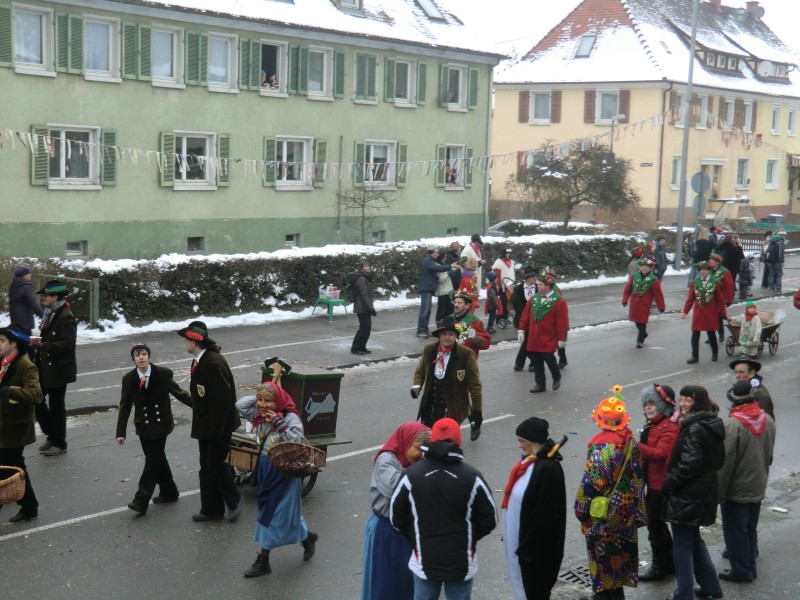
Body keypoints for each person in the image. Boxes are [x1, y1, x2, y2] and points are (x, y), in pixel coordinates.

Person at [390, 418, 497, 600]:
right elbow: (490, 520)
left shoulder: (411, 475)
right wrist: (468, 537)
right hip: (461, 563)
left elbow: (396, 517)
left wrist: (416, 537)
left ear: (432, 440)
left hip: (423, 561)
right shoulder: (472, 477)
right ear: (458, 441)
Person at [235, 382, 318, 577]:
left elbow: (297, 443)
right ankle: (306, 537)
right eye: (260, 400)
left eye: (269, 401)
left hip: (284, 473)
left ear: (279, 401)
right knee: (281, 513)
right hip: (265, 470)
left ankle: (263, 559)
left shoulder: (291, 419)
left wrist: (280, 424)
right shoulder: (260, 417)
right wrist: (261, 401)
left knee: (270, 515)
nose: (263, 405)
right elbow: (240, 405)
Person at [575, 388, 647, 600]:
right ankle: (617, 593)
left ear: (600, 420)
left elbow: (594, 482)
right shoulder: (631, 442)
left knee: (603, 554)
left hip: (604, 513)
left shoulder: (600, 447)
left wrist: (581, 508)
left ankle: (606, 595)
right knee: (621, 551)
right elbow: (638, 476)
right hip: (625, 510)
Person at [174, 321, 243, 523]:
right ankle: (211, 509)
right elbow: (202, 397)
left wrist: (216, 433)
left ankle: (234, 500)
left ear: (194, 340)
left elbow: (222, 403)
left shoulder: (213, 363)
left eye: (186, 339)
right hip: (207, 425)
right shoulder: (200, 361)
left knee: (215, 464)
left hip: (218, 427)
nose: (184, 342)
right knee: (206, 465)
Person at [661, 385, 725, 600]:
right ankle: (711, 586)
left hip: (687, 493)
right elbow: (719, 459)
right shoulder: (711, 422)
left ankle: (683, 593)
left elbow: (689, 463)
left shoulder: (694, 427)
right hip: (703, 491)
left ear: (698, 402)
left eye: (688, 400)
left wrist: (668, 482)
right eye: (682, 399)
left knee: (682, 546)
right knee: (694, 540)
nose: (683, 404)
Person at [361, 422, 430, 600]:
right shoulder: (387, 460)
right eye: (418, 449)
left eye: (427, 450)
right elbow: (395, 488)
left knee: (406, 585)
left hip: (410, 531)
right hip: (386, 532)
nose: (422, 455)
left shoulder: (419, 465)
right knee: (384, 584)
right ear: (406, 442)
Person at [717, 381, 776, 584]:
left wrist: (719, 491)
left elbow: (725, 463)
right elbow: (769, 453)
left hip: (737, 487)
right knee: (750, 528)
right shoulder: (767, 419)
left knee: (735, 531)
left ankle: (741, 570)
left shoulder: (733, 425)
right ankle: (749, 565)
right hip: (758, 482)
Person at [501, 417, 566, 600]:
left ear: (534, 441)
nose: (520, 446)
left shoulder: (547, 470)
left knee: (532, 592)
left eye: (522, 441)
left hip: (532, 552)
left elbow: (545, 517)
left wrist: (527, 550)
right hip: (520, 545)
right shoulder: (530, 463)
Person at [116, 342, 183, 515]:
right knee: (157, 459)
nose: (141, 357)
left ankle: (141, 500)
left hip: (161, 425)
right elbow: (125, 407)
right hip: (143, 426)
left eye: (144, 354)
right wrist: (120, 432)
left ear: (149, 356)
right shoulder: (129, 379)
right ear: (133, 359)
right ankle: (170, 492)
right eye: (137, 355)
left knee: (152, 462)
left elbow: (179, 393)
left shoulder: (162, 374)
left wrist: (200, 408)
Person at [411, 316, 483, 440]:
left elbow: (475, 386)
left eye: (451, 334)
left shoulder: (466, 354)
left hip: (452, 409)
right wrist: (416, 386)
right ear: (439, 335)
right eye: (444, 334)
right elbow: (420, 372)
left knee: (446, 442)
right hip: (430, 407)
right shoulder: (429, 350)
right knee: (428, 441)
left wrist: (477, 412)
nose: (447, 337)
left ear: (456, 336)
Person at [637, 385, 680, 581]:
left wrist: (635, 446)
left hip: (660, 483)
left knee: (655, 524)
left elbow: (660, 455)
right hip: (653, 481)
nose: (648, 407)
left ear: (663, 405)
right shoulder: (653, 424)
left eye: (652, 402)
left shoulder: (669, 427)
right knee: (657, 525)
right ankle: (669, 563)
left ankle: (660, 566)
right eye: (646, 403)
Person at [0, 326, 43, 523]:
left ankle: (28, 507)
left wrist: (11, 391)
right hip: (3, 426)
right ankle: (29, 506)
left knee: (5, 469)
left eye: (1, 341)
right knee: (17, 465)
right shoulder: (2, 363)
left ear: (13, 343)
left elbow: (36, 395)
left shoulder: (26, 366)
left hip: (16, 428)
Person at [33, 279, 77, 457]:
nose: (43, 298)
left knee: (57, 406)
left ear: (55, 296)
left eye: (46, 295)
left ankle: (59, 443)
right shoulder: (50, 313)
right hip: (45, 366)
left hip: (59, 369)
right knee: (36, 399)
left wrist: (43, 346)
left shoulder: (66, 316)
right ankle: (52, 434)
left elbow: (68, 345)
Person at [517, 269, 568, 393]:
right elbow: (525, 316)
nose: (537, 286)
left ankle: (556, 376)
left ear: (547, 286)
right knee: (536, 360)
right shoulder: (534, 299)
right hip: (535, 336)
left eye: (540, 285)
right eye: (537, 284)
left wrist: (562, 338)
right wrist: (521, 330)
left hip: (548, 336)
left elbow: (562, 322)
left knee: (548, 358)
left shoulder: (559, 301)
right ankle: (540, 384)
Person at [680, 262, 724, 364]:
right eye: (701, 270)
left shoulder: (715, 283)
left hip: (710, 313)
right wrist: (685, 311)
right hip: (698, 313)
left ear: (709, 271)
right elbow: (690, 299)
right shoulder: (694, 283)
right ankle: (695, 357)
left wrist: (722, 312)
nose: (703, 272)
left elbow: (720, 300)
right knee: (695, 334)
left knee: (711, 334)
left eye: (705, 270)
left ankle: (714, 353)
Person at [621, 257, 665, 348]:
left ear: (650, 268)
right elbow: (628, 289)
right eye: (643, 266)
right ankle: (644, 333)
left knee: (642, 321)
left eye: (646, 267)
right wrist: (625, 299)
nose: (644, 268)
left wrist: (661, 306)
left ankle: (640, 340)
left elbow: (658, 294)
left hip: (645, 304)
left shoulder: (653, 280)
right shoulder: (634, 276)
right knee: (636, 321)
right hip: (634, 303)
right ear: (640, 267)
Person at [417, 248, 458, 338]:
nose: (438, 254)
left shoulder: (431, 260)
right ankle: (420, 330)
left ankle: (425, 329)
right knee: (425, 310)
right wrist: (450, 266)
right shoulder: (428, 260)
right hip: (426, 288)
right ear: (432, 253)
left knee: (427, 311)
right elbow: (438, 268)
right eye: (436, 253)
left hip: (429, 288)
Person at [729, 355, 775, 421]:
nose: (737, 376)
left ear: (752, 373)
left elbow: (765, 422)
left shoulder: (758, 395)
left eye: (741, 372)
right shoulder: (744, 390)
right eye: (736, 372)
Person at [510, 266, 538, 372]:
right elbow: (511, 302)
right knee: (527, 342)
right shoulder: (518, 288)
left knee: (528, 342)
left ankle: (522, 364)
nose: (535, 279)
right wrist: (511, 310)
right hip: (522, 320)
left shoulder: (538, 288)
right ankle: (532, 363)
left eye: (535, 276)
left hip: (535, 320)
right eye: (532, 277)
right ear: (527, 278)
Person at [348, 260, 377, 356]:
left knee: (367, 328)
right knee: (363, 328)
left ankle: (362, 347)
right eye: (365, 266)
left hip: (364, 307)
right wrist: (371, 308)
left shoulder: (364, 278)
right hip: (362, 307)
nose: (368, 268)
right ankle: (355, 348)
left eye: (369, 266)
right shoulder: (361, 279)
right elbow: (365, 295)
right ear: (361, 268)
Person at [451, 291, 491, 358]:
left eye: (459, 303)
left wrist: (474, 338)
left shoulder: (475, 322)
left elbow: (486, 343)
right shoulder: (448, 319)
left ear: (467, 306)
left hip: (467, 362)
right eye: (455, 302)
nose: (455, 305)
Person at [7, 265, 43, 335]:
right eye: (28, 273)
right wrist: (44, 316)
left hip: (15, 320)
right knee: (26, 343)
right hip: (25, 322)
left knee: (17, 341)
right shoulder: (27, 287)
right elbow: (33, 303)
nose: (30, 275)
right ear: (24, 275)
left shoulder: (13, 286)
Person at [708, 253, 733, 343]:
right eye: (710, 260)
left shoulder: (725, 272)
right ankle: (711, 335)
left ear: (717, 263)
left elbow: (729, 287)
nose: (709, 262)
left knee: (718, 317)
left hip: (720, 298)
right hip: (710, 298)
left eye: (712, 261)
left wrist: (728, 299)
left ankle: (721, 333)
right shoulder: (709, 271)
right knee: (710, 317)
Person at [492, 248, 515, 324]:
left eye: (509, 253)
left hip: (510, 286)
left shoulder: (511, 262)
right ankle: (500, 319)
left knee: (509, 303)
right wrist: (499, 287)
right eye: (506, 253)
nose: (508, 254)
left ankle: (506, 318)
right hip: (502, 287)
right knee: (502, 304)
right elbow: (497, 276)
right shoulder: (498, 263)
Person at [434, 250, 455, 323]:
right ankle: (439, 322)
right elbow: (440, 279)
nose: (446, 257)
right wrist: (448, 273)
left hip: (448, 290)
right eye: (445, 255)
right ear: (441, 256)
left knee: (449, 308)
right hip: (442, 291)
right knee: (441, 309)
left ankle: (447, 323)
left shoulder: (444, 264)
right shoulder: (437, 266)